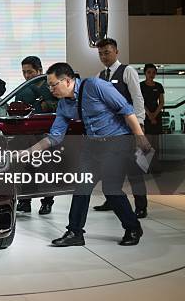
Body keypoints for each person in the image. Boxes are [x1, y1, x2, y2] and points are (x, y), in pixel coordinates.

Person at [26, 63, 150, 246]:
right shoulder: (63, 105)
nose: (50, 89)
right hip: (92, 145)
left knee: (111, 189)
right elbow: (55, 137)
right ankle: (75, 233)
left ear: (67, 81)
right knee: (81, 187)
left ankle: (133, 227)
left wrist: (140, 137)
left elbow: (126, 109)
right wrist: (29, 151)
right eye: (49, 86)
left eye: (53, 85)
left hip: (116, 142)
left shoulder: (95, 85)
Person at [92, 38, 148, 218]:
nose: (103, 56)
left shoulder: (127, 71)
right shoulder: (99, 76)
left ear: (116, 52)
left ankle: (141, 206)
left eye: (107, 52)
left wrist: (139, 124)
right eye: (100, 53)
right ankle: (112, 200)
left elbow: (137, 98)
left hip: (128, 130)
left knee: (134, 170)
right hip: (109, 133)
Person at [15, 56, 58, 215]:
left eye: (30, 72)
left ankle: (47, 202)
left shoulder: (51, 87)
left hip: (47, 135)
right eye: (24, 72)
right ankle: (25, 201)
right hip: (27, 135)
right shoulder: (22, 89)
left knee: (47, 170)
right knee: (28, 170)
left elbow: (60, 107)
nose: (27, 76)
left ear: (40, 70)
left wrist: (46, 104)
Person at [141, 63, 165, 135]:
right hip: (144, 114)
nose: (151, 74)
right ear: (145, 73)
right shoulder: (140, 86)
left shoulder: (159, 86)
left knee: (157, 137)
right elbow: (140, 102)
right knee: (145, 137)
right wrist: (149, 115)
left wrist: (154, 115)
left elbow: (161, 102)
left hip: (157, 113)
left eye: (154, 72)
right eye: (149, 72)